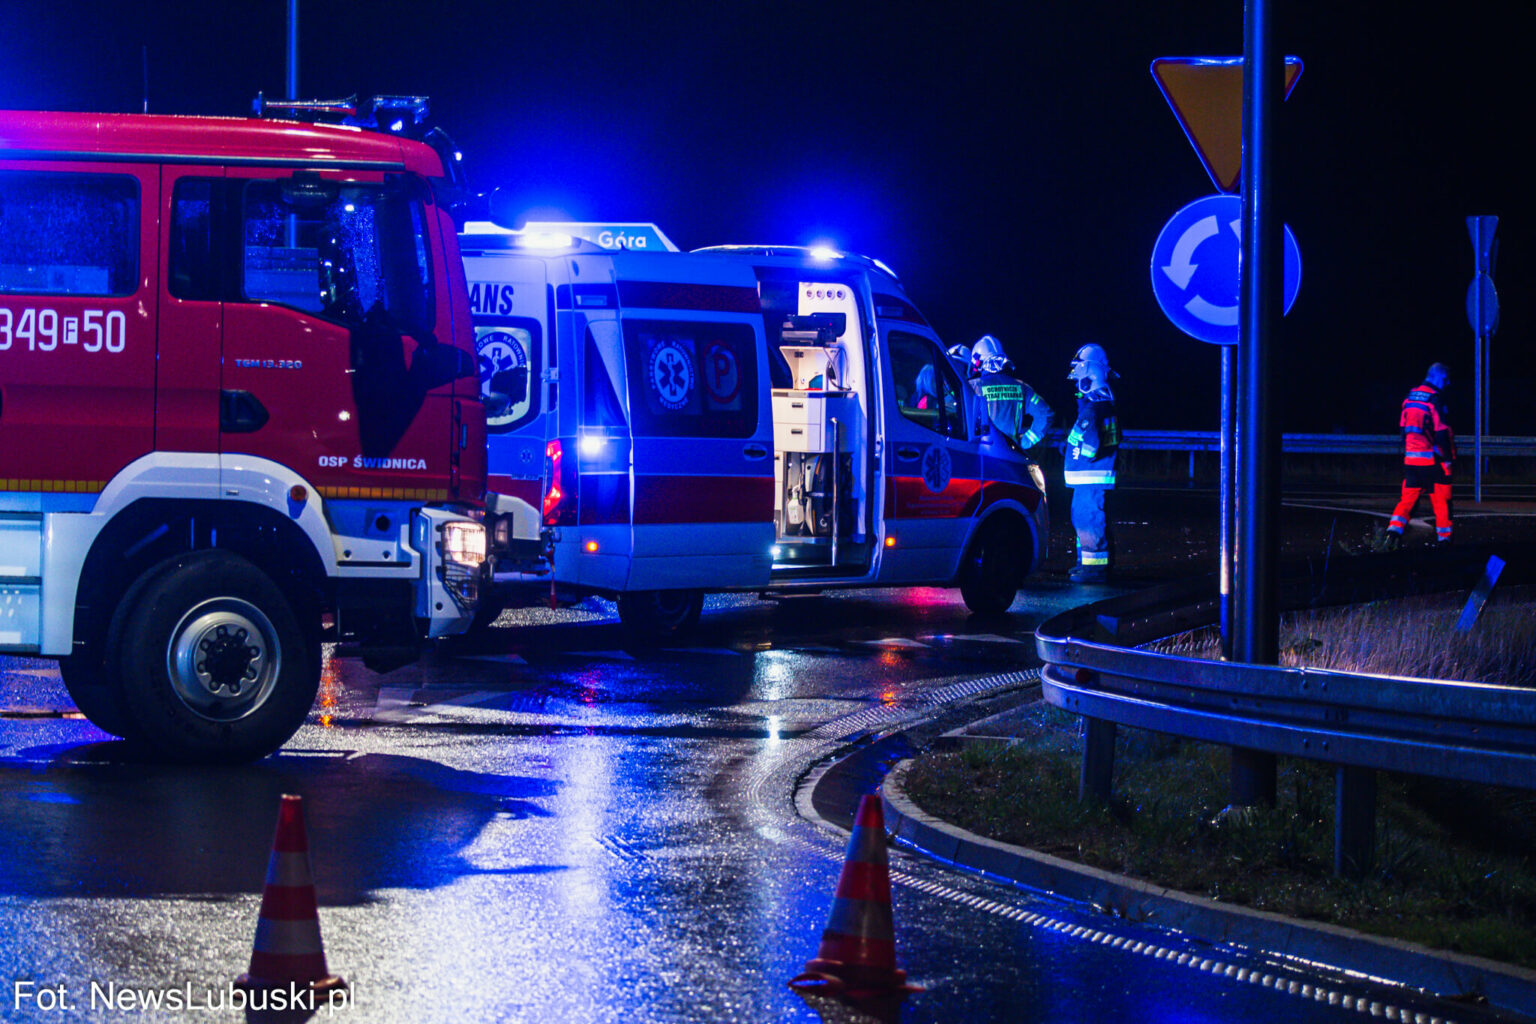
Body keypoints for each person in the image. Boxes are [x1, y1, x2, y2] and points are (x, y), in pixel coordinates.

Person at [1063, 343, 1120, 582]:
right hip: (1091, 477)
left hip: (1090, 476)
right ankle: (1086, 564)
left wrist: (1080, 451)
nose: (1078, 381)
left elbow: (1092, 442)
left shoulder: (1095, 409)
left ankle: (1094, 570)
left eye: (1081, 373)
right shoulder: (1100, 405)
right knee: (1085, 520)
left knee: (1088, 520)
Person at [1385, 362, 1455, 547]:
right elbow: (1441, 433)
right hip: (1432, 461)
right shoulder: (1435, 399)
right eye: (1446, 380)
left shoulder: (1409, 397)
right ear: (1439, 377)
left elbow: (1403, 429)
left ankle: (1392, 534)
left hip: (1411, 460)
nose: (1447, 384)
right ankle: (1444, 541)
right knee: (1442, 503)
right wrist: (1447, 458)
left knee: (1407, 502)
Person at [972, 334, 1054, 451]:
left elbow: (947, 405)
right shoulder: (1022, 387)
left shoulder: (973, 386)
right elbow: (1046, 414)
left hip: (981, 453)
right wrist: (1025, 442)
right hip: (1011, 454)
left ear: (978, 362)